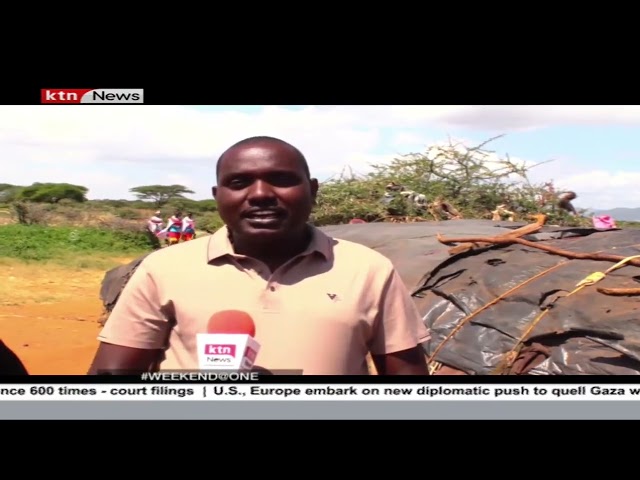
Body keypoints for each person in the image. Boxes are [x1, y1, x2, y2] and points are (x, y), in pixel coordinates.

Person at [88, 136, 430, 375]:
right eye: (239, 183)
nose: (261, 194)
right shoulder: (164, 268)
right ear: (217, 195)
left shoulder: (368, 269)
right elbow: (112, 375)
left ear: (311, 191)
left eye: (281, 180)